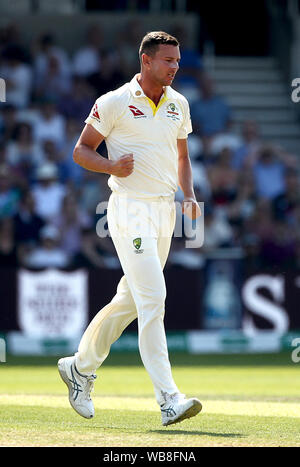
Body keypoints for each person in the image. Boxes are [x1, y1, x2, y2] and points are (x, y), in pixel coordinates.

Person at [58, 31, 202, 427]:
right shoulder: (115, 101)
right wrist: (109, 166)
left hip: (164, 211)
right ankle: (169, 399)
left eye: (177, 60)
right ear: (146, 61)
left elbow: (182, 156)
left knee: (132, 300)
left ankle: (79, 367)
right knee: (154, 299)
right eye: (168, 61)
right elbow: (80, 150)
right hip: (128, 209)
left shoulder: (179, 104)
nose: (175, 67)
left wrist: (188, 195)